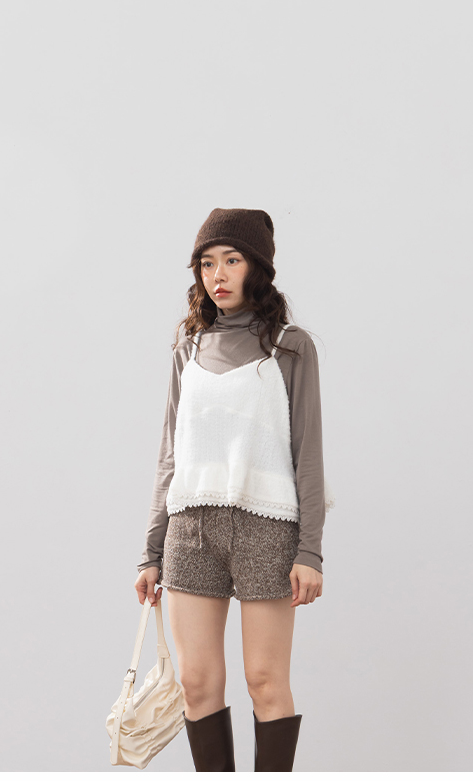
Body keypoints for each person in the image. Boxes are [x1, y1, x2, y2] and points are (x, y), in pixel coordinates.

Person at [133, 208, 335, 772]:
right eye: (206, 263)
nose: (217, 275)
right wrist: (152, 551)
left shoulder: (290, 347)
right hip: (190, 531)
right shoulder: (188, 349)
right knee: (197, 684)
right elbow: (170, 455)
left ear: (258, 268)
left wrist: (310, 551)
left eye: (231, 260)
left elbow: (308, 454)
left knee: (265, 681)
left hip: (266, 528)